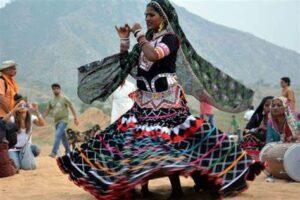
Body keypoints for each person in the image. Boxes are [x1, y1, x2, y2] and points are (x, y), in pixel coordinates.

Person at [57, 0, 262, 199]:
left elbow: (154, 55)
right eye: (145, 14)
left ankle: (179, 188)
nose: (146, 18)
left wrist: (138, 35)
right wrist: (124, 40)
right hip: (144, 105)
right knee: (136, 144)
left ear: (162, 17)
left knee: (167, 144)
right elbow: (127, 67)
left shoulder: (170, 39)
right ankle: (143, 188)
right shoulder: (145, 40)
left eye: (151, 15)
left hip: (167, 105)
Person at [4, 94, 45, 170]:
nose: (22, 107)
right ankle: (21, 159)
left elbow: (42, 124)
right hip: (14, 149)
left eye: (24, 105)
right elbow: (4, 122)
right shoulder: (13, 119)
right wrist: (14, 110)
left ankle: (26, 158)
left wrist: (36, 111)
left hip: (26, 148)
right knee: (15, 167)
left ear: (27, 107)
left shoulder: (31, 118)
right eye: (20, 105)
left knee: (28, 167)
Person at [44, 83, 79, 158]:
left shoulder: (64, 98)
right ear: (52, 90)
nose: (56, 90)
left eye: (57, 88)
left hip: (64, 120)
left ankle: (54, 152)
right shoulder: (51, 101)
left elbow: (71, 107)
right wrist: (42, 118)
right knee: (64, 138)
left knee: (57, 135)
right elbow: (47, 110)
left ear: (60, 89)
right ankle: (68, 151)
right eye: (54, 89)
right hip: (56, 121)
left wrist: (75, 118)